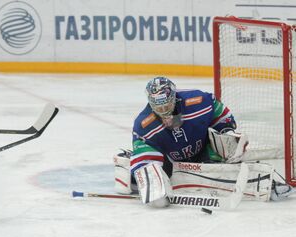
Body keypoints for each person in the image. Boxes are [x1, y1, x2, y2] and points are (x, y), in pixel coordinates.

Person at [114, 76, 293, 207]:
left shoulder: (198, 101)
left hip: (205, 150)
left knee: (228, 151)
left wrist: (226, 134)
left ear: (174, 97)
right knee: (156, 196)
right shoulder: (144, 124)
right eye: (158, 107)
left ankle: (265, 183)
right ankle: (129, 167)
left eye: (166, 106)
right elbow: (146, 153)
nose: (164, 111)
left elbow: (222, 115)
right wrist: (149, 173)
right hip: (172, 163)